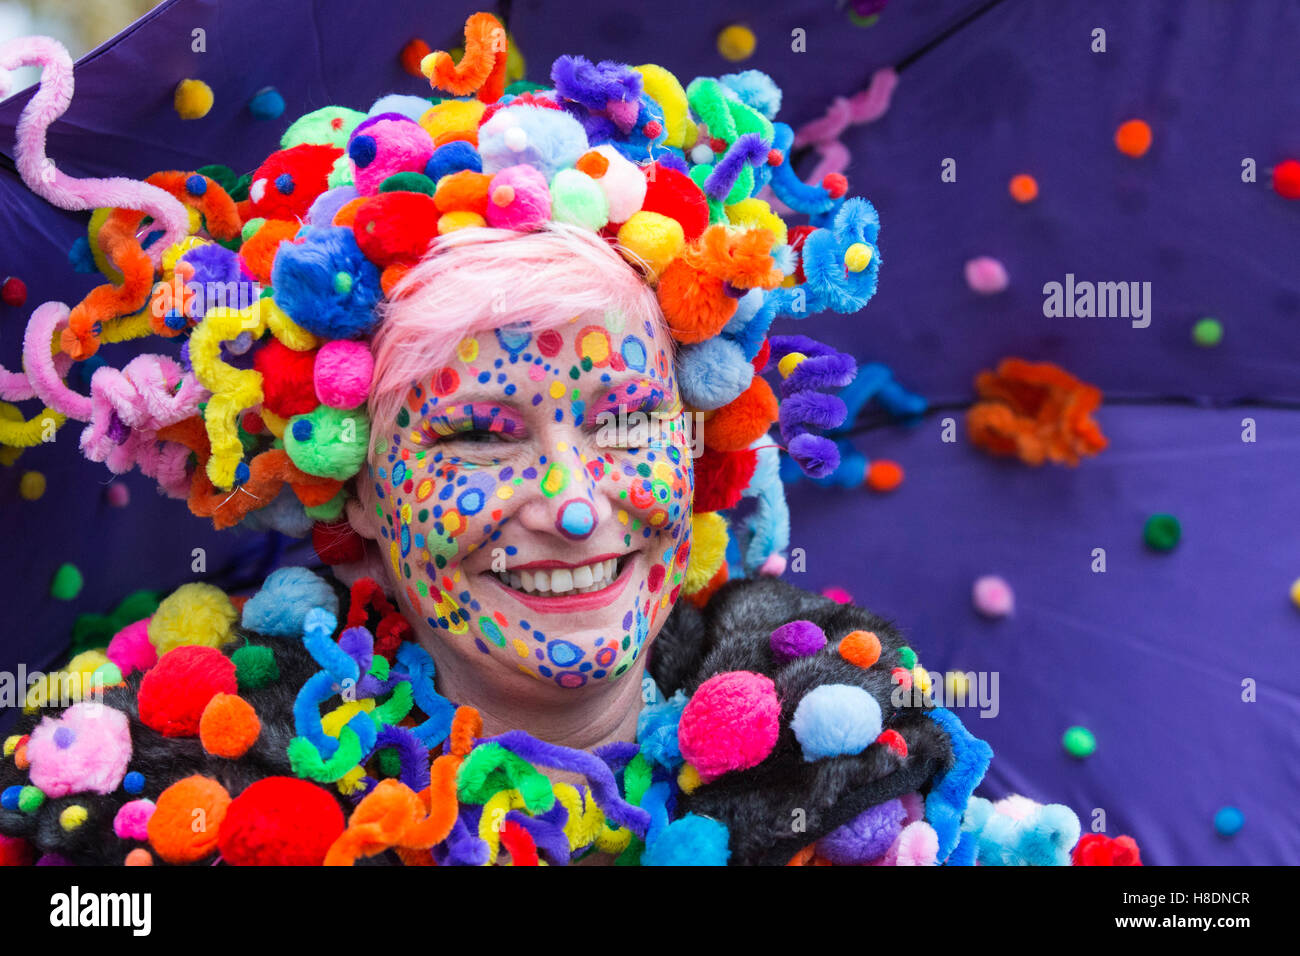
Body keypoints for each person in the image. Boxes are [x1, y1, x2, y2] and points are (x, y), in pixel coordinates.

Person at [0, 14, 1101, 866]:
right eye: (480, 434)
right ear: (363, 484)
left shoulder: (867, 759)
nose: (576, 503)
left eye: (626, 418)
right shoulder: (169, 787)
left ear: (695, 438)